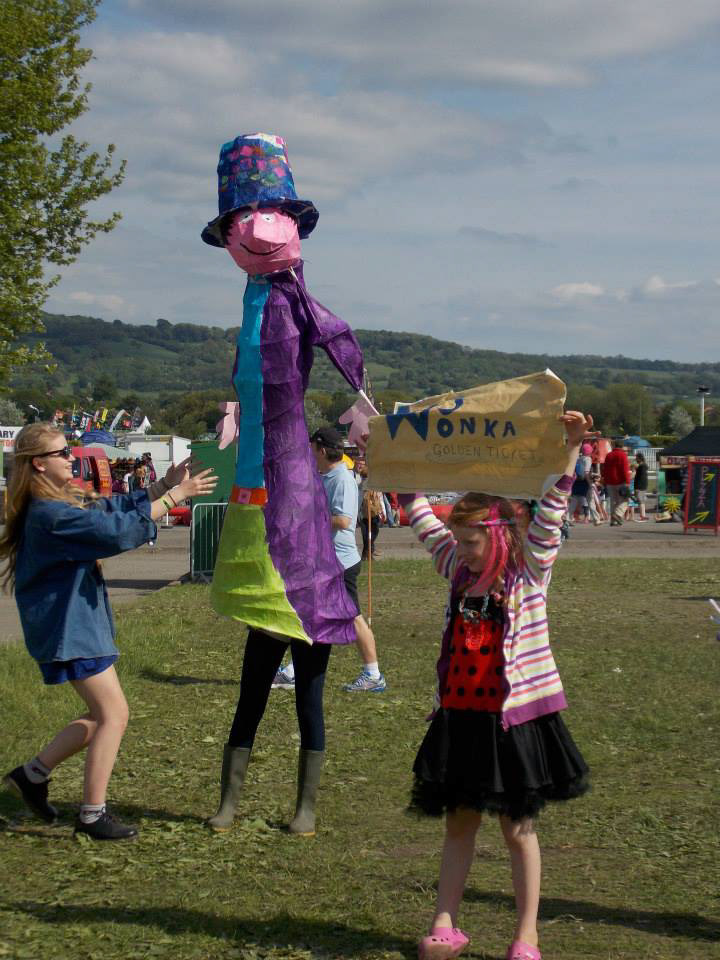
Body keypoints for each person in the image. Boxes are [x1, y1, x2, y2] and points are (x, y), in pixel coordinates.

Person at [401, 411, 591, 960]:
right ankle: (445, 921)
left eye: (468, 541)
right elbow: (420, 516)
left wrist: (570, 450)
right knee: (459, 823)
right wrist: (392, 463)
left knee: (517, 829)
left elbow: (552, 512)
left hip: (516, 722)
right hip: (461, 718)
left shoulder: (528, 569)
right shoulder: (456, 570)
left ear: (497, 533)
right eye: (456, 539)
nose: (458, 548)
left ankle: (526, 934)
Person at [0, 423, 217, 840]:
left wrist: (160, 489)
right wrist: (175, 497)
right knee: (113, 715)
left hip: (78, 626)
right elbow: (113, 534)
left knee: (104, 715)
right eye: (62, 453)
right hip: (70, 629)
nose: (70, 457)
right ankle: (91, 814)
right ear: (39, 464)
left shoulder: (56, 502)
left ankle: (33, 774)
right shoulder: (49, 514)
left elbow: (108, 511)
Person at [273, 427, 386, 694]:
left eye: (311, 449)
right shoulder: (327, 476)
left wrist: (306, 517)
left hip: (340, 563)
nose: (310, 454)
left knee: (353, 618)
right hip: (324, 563)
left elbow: (344, 520)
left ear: (321, 450)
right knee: (310, 613)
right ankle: (293, 670)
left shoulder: (342, 479)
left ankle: (373, 674)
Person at [601, 440, 632, 526]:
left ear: (614, 445)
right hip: (620, 481)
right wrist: (627, 481)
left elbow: (605, 469)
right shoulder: (623, 455)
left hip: (610, 482)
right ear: (622, 447)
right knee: (625, 500)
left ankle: (613, 521)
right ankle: (618, 514)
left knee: (613, 501)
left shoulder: (609, 455)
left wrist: (605, 481)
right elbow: (625, 470)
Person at [633, 452, 649, 521]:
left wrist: (637, 487)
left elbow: (641, 478)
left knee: (640, 501)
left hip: (640, 486)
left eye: (636, 458)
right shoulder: (643, 466)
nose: (636, 459)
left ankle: (642, 516)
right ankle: (643, 515)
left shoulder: (642, 466)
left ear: (639, 458)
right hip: (642, 486)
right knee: (641, 501)